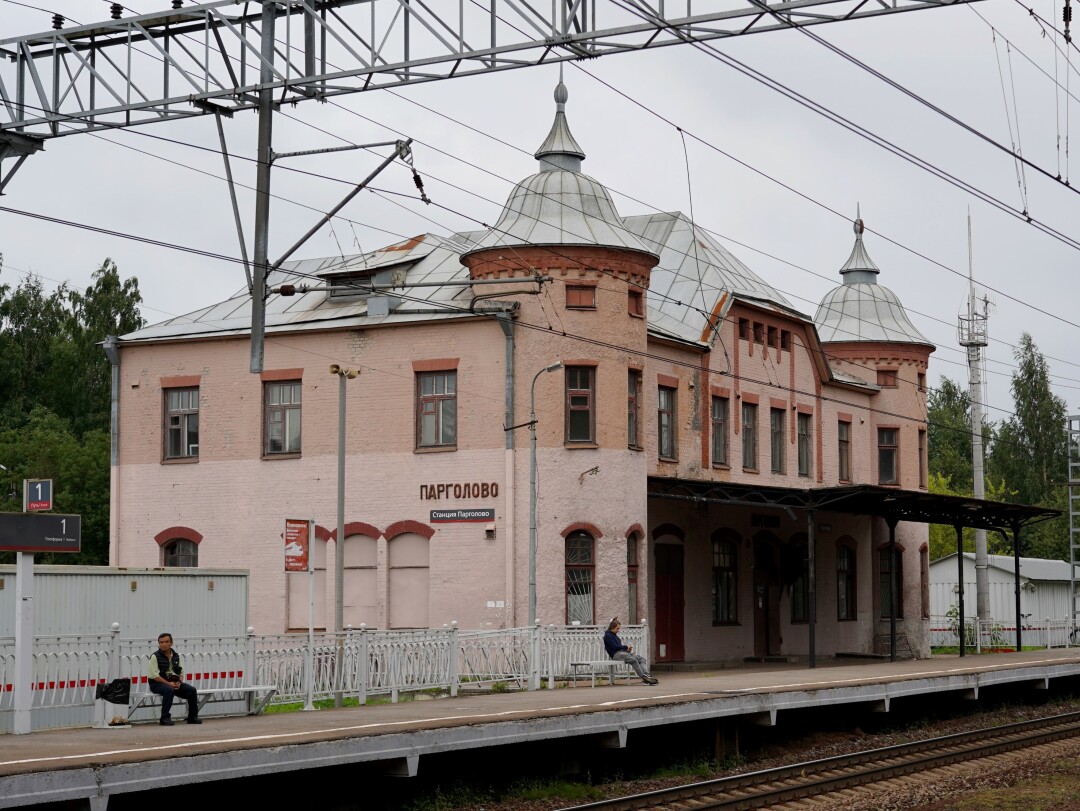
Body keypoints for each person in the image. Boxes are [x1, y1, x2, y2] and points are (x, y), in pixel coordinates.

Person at [148, 632, 201, 725]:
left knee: (192, 690)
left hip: (172, 682)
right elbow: (154, 676)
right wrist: (169, 684)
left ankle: (192, 717)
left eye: (166, 642)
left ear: (171, 643)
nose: (163, 644)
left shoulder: (176, 656)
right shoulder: (154, 656)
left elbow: (181, 672)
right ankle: (164, 718)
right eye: (161, 642)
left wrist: (179, 682)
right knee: (169, 690)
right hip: (157, 683)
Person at [603, 618, 658, 685]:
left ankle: (647, 675)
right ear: (612, 628)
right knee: (633, 659)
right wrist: (626, 647)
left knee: (641, 659)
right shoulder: (608, 636)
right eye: (617, 628)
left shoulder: (614, 636)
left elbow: (619, 647)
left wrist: (627, 650)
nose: (618, 630)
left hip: (622, 653)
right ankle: (644, 678)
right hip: (616, 655)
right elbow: (615, 647)